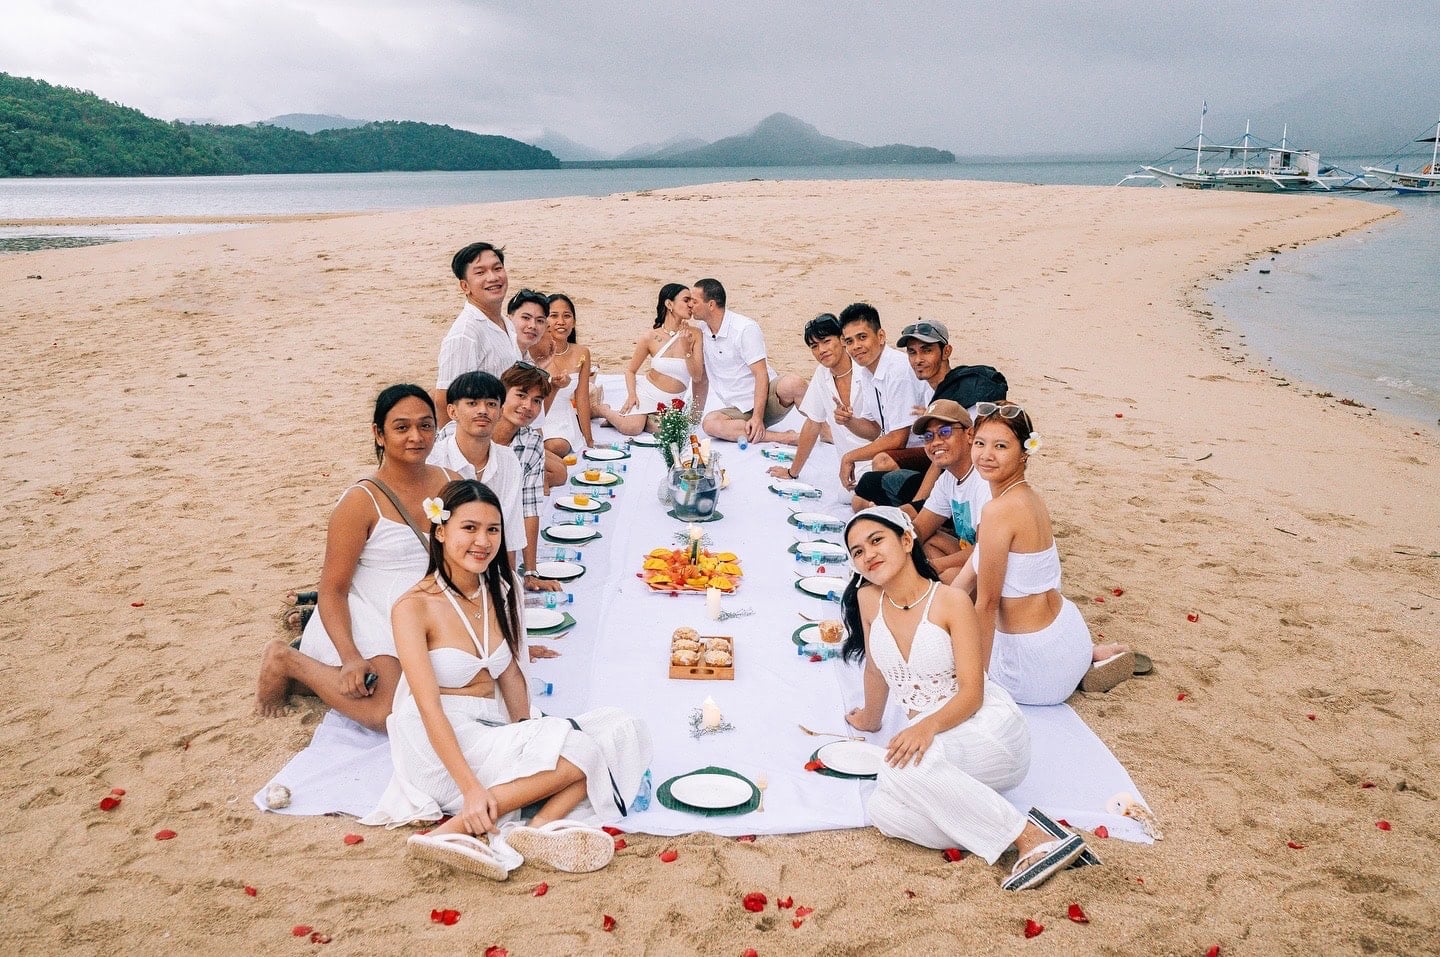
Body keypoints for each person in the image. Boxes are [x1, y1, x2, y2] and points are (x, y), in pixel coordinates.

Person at [361, 480, 652, 879]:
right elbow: (427, 707)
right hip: (438, 739)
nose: (482, 541)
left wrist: (530, 733)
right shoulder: (412, 607)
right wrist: (471, 790)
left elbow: (511, 671)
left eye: (493, 530)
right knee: (585, 751)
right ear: (441, 531)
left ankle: (531, 834)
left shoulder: (499, 587)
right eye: (470, 528)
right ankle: (456, 827)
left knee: (623, 728)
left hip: (492, 726)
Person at [837, 506, 1088, 890]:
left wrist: (926, 726)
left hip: (985, 728)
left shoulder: (951, 601)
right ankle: (999, 823)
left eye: (876, 541)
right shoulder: (869, 600)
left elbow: (974, 691)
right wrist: (870, 718)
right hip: (939, 744)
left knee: (896, 771)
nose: (867, 554)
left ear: (906, 541)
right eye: (856, 551)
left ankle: (1028, 836)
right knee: (883, 809)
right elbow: (875, 667)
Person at [254, 385, 458, 731]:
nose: (416, 437)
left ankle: (314, 678)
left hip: (431, 605)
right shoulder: (360, 502)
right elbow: (332, 589)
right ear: (379, 434)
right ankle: (285, 659)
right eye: (401, 427)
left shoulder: (451, 482)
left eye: (426, 426)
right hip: (372, 611)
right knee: (389, 713)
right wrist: (350, 657)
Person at [956, 402, 1135, 701]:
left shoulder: (999, 510)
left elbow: (986, 604)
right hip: (1067, 634)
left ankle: (1075, 667)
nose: (986, 455)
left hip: (1034, 666)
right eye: (980, 443)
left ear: (1025, 452)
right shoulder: (1031, 499)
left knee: (950, 664)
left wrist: (976, 686)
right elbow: (964, 579)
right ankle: (1086, 659)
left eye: (1000, 446)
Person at [858, 321, 1010, 510]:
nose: (918, 359)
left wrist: (918, 505)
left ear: (946, 352)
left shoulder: (960, 393)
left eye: (926, 350)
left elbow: (947, 455)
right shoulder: (933, 391)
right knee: (865, 489)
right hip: (945, 468)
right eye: (912, 352)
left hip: (970, 479)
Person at [426, 371, 528, 572]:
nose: (483, 411)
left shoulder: (508, 460)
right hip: (439, 566)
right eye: (472, 403)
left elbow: (510, 532)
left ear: (500, 412)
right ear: (452, 411)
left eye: (491, 404)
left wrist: (508, 589)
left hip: (489, 565)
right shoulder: (433, 460)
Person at [765, 313, 879, 484]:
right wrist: (792, 472)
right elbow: (813, 423)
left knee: (859, 501)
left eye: (826, 342)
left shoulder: (867, 370)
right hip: (850, 468)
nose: (821, 351)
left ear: (841, 340)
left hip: (880, 458)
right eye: (814, 346)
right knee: (849, 498)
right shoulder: (822, 373)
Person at [690, 278, 804, 444]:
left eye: (694, 301)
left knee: (795, 383)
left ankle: (824, 431)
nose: (690, 305)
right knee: (710, 424)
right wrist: (694, 417)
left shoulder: (744, 328)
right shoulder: (700, 333)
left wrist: (758, 418)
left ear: (711, 305)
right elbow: (701, 378)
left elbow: (761, 374)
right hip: (739, 410)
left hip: (767, 399)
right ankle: (784, 437)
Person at [838, 303, 925, 498]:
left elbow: (898, 439)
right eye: (849, 341)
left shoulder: (898, 369)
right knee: (857, 501)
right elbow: (874, 430)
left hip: (925, 450)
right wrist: (849, 421)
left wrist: (850, 457)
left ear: (881, 337)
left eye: (862, 337)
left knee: (882, 462)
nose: (856, 347)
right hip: (904, 452)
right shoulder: (867, 371)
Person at [595, 283, 705, 436]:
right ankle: (603, 410)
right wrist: (632, 395)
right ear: (669, 304)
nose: (691, 305)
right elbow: (630, 370)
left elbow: (697, 376)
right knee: (632, 429)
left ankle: (642, 419)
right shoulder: (650, 337)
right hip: (646, 393)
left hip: (672, 403)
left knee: (672, 432)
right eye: (686, 300)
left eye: (692, 301)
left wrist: (687, 350)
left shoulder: (696, 334)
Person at [434, 243, 518, 431]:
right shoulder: (466, 333)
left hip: (507, 433)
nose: (493, 277)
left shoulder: (505, 322)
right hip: (481, 440)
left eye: (497, 269)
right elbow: (444, 399)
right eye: (480, 273)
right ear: (465, 286)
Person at [906, 400, 991, 584]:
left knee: (947, 576)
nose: (935, 442)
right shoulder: (948, 478)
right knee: (926, 542)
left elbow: (985, 551)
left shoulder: (984, 479)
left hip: (998, 569)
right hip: (974, 555)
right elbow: (920, 528)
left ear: (970, 434)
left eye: (945, 432)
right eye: (928, 436)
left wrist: (933, 565)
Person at [538, 293, 595, 455]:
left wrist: (588, 439)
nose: (561, 322)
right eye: (553, 316)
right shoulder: (534, 350)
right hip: (535, 415)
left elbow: (582, 397)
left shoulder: (582, 352)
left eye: (567, 316)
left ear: (574, 322)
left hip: (562, 419)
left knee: (557, 447)